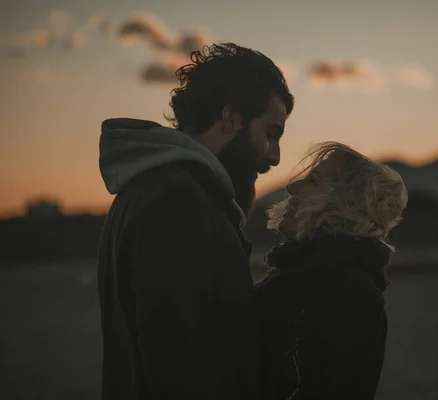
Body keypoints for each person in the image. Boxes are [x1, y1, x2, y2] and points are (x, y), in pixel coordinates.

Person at [97, 42, 294, 400]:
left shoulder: (149, 190)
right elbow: (179, 367)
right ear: (232, 117)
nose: (276, 157)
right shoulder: (178, 203)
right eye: (271, 133)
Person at [254, 142, 408, 400]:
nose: (292, 187)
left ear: (347, 204)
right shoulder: (305, 276)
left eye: (313, 181)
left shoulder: (349, 296)